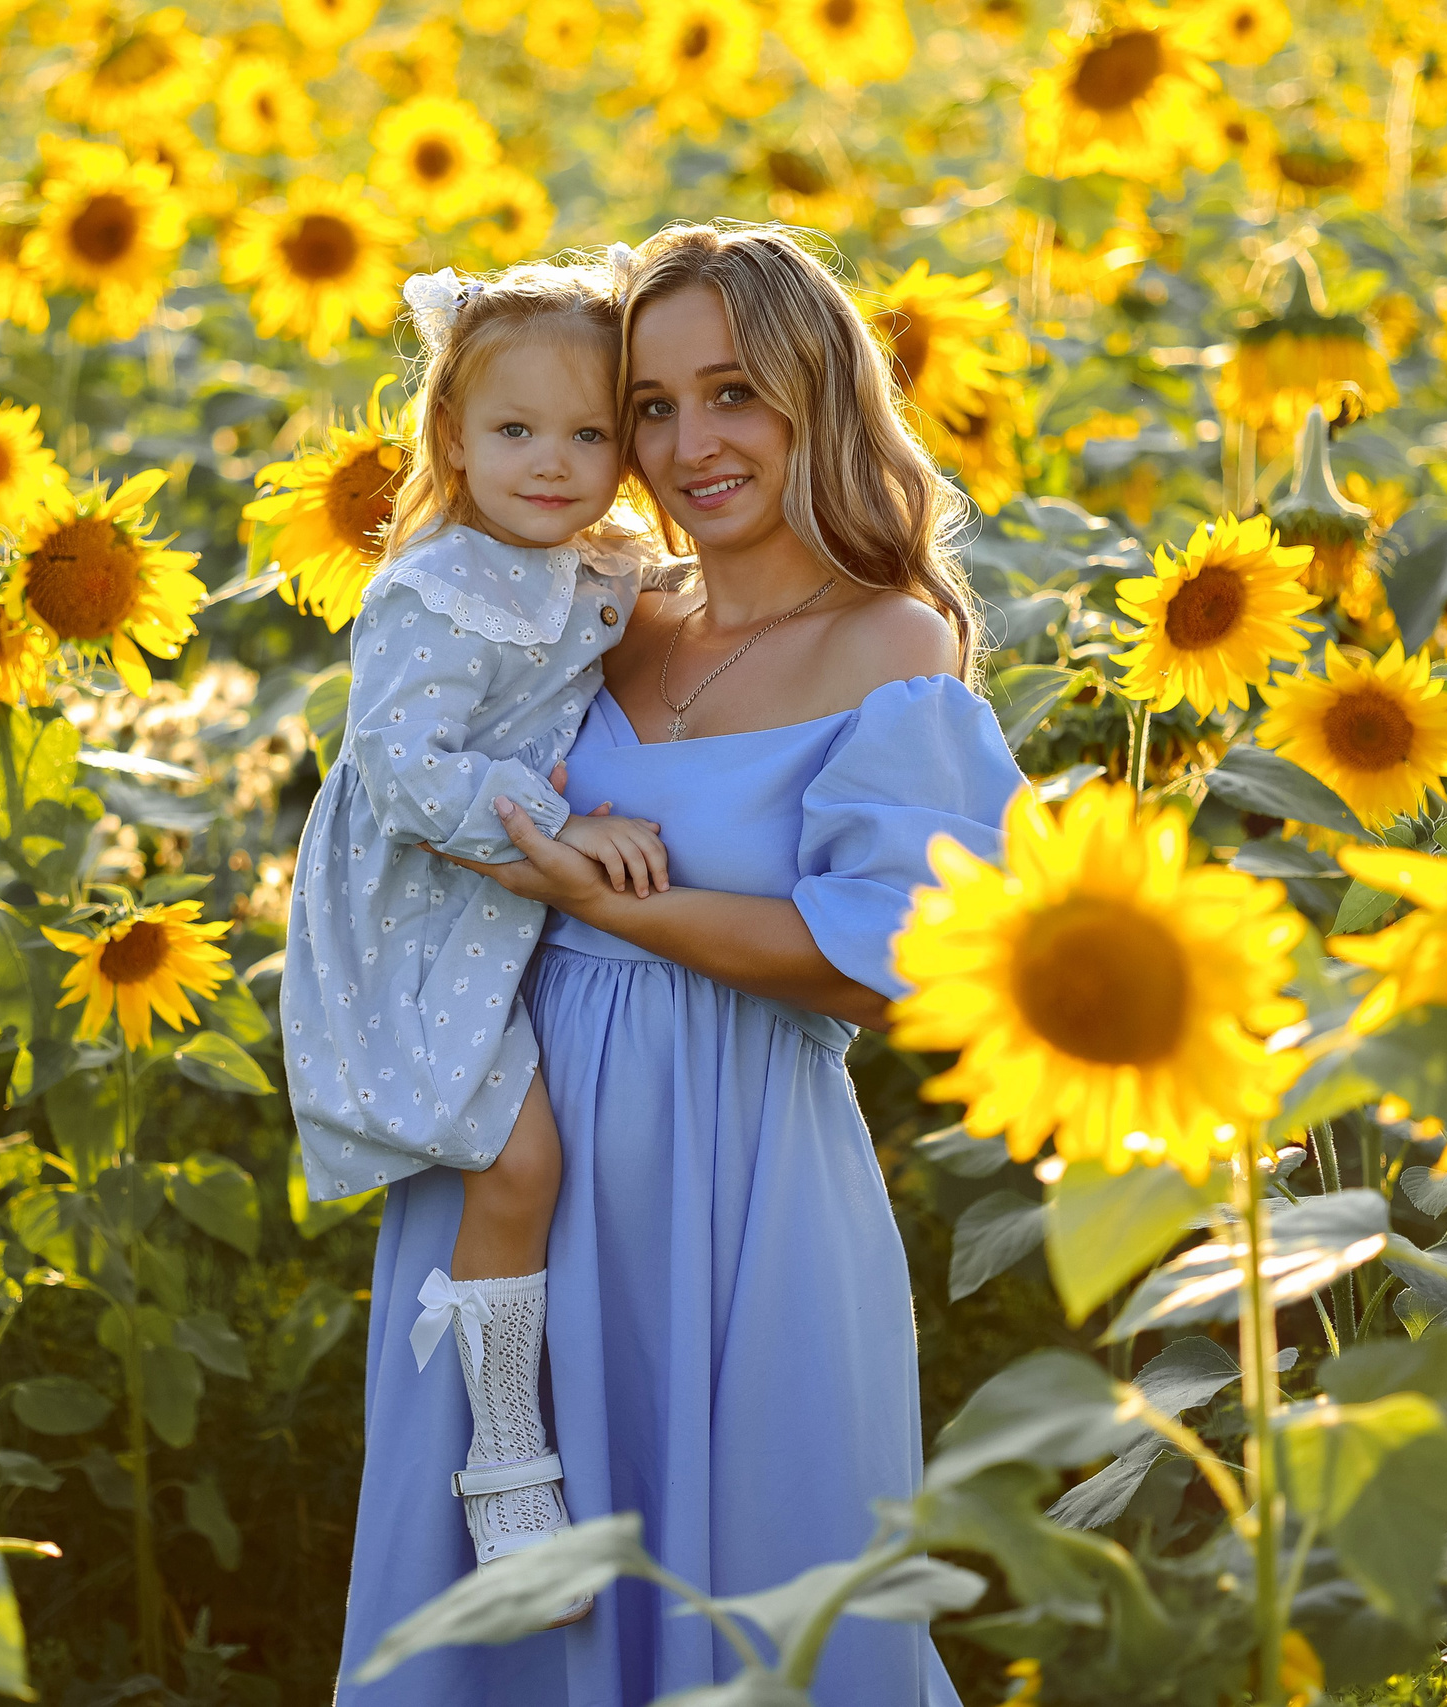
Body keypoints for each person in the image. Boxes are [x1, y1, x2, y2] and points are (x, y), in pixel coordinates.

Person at [333, 224, 1026, 1705]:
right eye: (649, 405)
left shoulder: (894, 644)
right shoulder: (597, 603)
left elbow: (884, 964)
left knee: (757, 1596)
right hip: (509, 1147)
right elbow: (412, 774)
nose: (688, 442)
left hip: (737, 1177)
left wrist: (607, 896)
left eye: (735, 393)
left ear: (818, 401)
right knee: (494, 1604)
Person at [282, 259, 671, 1618]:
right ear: (450, 437)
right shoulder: (437, 588)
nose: (554, 465)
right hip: (415, 912)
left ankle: (515, 1440)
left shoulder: (585, 565)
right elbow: (400, 771)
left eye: (590, 434)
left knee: (539, 1161)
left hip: (489, 906)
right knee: (521, 1163)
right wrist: (559, 830)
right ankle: (503, 1463)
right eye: (516, 432)